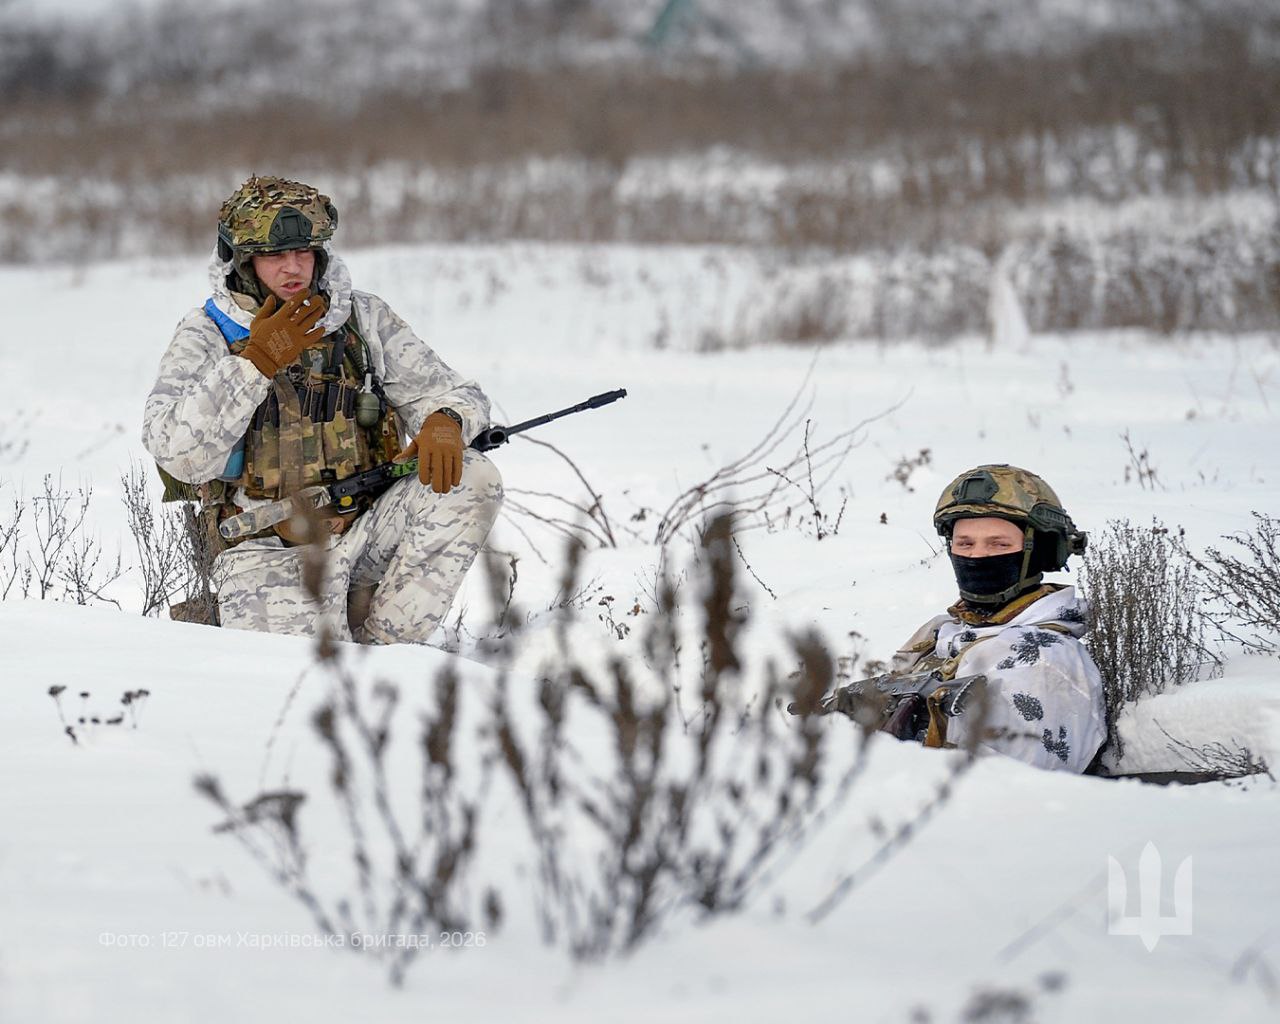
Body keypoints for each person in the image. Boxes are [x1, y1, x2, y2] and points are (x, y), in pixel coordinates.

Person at [143, 175, 503, 644]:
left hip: (366, 525)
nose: (293, 267)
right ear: (244, 261)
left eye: (304, 252)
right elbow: (176, 451)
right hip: (267, 545)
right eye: (275, 255)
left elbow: (452, 391)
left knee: (472, 477)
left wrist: (446, 421)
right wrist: (256, 363)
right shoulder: (209, 332)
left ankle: (392, 653)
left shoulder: (360, 318)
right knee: (303, 678)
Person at [887, 464, 1106, 772]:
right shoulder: (940, 633)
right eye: (965, 543)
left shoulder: (1043, 661)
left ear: (1040, 551)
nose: (977, 556)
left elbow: (1011, 786)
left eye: (999, 544)